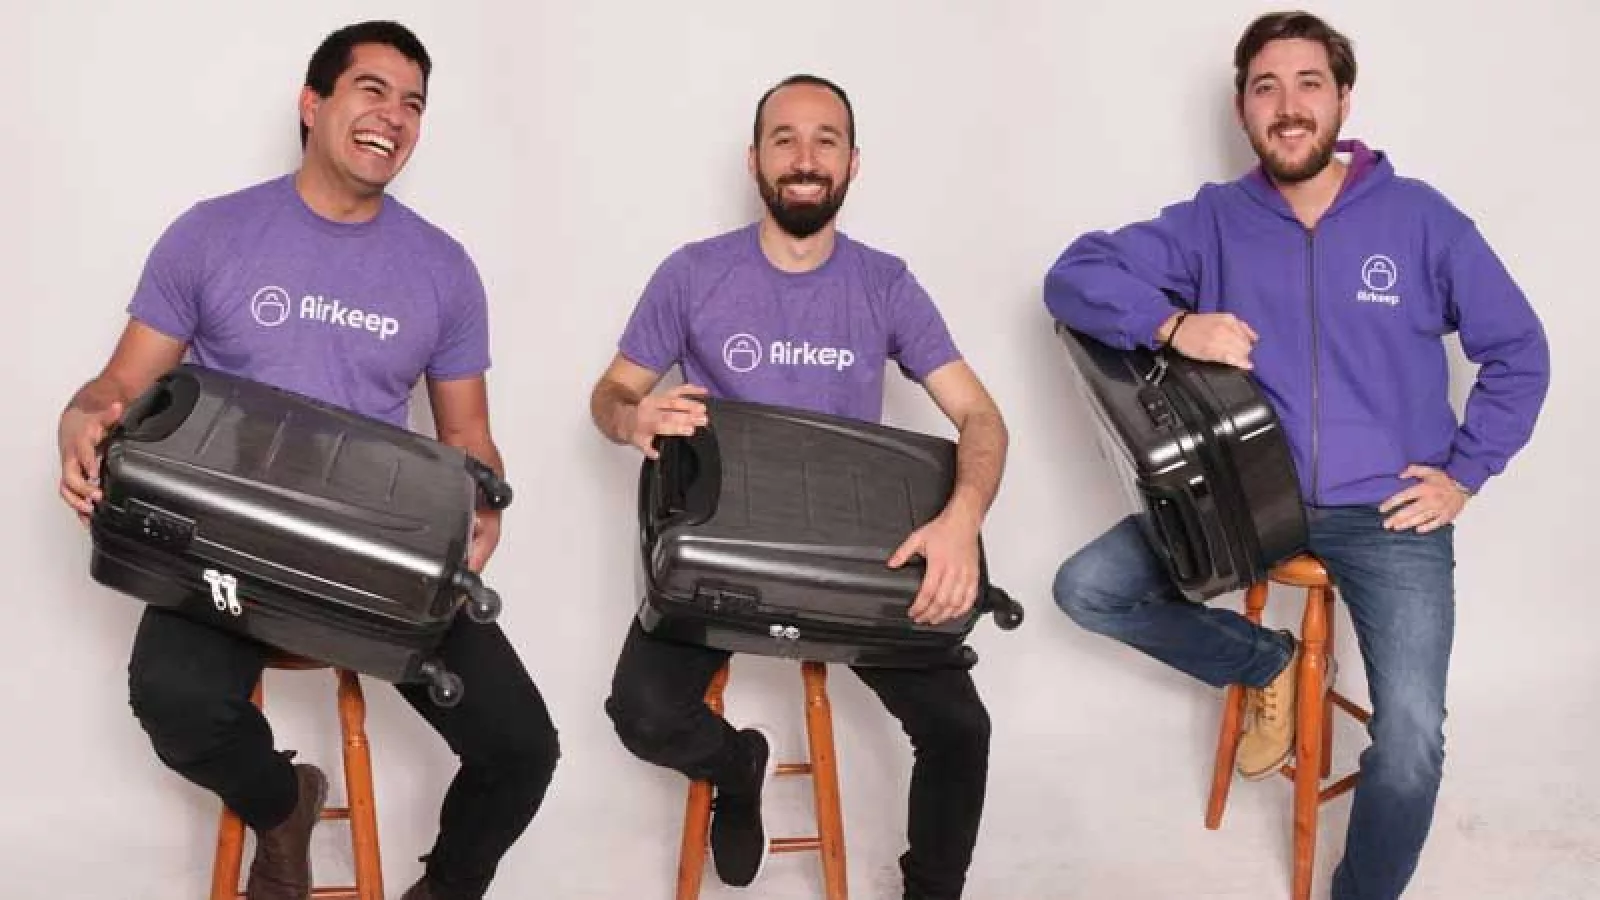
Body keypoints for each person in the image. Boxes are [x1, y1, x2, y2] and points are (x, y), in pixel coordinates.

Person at [1044, 11, 1549, 899]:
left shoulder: (1420, 218)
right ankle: (1265, 663)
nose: (1288, 106)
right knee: (1088, 588)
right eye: (1266, 88)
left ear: (1343, 99)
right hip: (1248, 496)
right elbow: (1072, 276)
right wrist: (1172, 323)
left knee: (1412, 740)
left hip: (1388, 512)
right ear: (1242, 107)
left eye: (1309, 84)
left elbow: (1520, 351)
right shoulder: (1212, 221)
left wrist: (1465, 474)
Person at [55, 21, 559, 900]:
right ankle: (283, 804)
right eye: (372, 90)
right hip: (225, 541)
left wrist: (485, 502)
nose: (393, 116)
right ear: (312, 103)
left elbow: (469, 434)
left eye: (413, 104)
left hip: (374, 552)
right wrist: (79, 419)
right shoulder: (212, 234)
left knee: (522, 748)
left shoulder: (443, 269)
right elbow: (119, 385)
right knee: (173, 700)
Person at [588, 74, 1009, 900]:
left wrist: (962, 520)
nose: (806, 158)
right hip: (725, 559)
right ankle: (736, 768)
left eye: (826, 140)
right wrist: (633, 418)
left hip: (852, 563)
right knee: (642, 713)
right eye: (785, 139)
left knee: (961, 730)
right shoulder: (692, 273)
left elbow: (981, 417)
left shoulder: (885, 283)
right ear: (755, 160)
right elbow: (608, 395)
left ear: (853, 162)